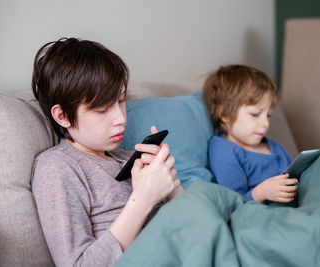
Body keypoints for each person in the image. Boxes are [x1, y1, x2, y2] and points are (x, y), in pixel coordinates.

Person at [30, 37, 184, 267]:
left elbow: (195, 221)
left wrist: (170, 185)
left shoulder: (130, 159)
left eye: (121, 101)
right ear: (62, 116)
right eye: (102, 110)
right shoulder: (57, 167)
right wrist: (143, 199)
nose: (121, 119)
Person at [203, 64, 297, 204]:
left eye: (268, 115)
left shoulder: (273, 146)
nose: (265, 123)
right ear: (224, 114)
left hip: (301, 205)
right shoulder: (224, 149)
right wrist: (260, 193)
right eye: (255, 114)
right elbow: (234, 203)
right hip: (265, 215)